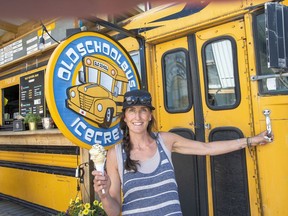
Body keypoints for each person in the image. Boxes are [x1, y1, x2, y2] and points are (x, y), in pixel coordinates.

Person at [92, 89, 273, 216]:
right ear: (125, 117)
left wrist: (250, 140)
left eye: (143, 111)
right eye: (132, 111)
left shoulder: (165, 141)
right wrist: (104, 195)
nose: (137, 117)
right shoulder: (115, 155)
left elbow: (207, 149)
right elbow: (114, 212)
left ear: (150, 116)